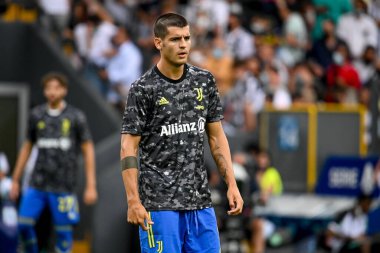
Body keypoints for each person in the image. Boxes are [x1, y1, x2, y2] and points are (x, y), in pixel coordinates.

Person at [120, 12, 244, 253]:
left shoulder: (204, 81)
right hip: (159, 206)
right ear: (159, 43)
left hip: (200, 204)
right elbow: (128, 147)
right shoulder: (143, 89)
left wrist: (232, 184)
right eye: (176, 39)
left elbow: (217, 137)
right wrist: (133, 200)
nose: (184, 45)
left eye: (187, 38)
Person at [9, 72, 98, 253]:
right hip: (37, 183)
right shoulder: (36, 115)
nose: (52, 92)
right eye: (48, 88)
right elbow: (27, 146)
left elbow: (88, 149)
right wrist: (16, 179)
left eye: (56, 88)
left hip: (64, 186)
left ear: (64, 90)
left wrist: (91, 184)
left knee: (64, 234)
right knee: (23, 225)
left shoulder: (75, 116)